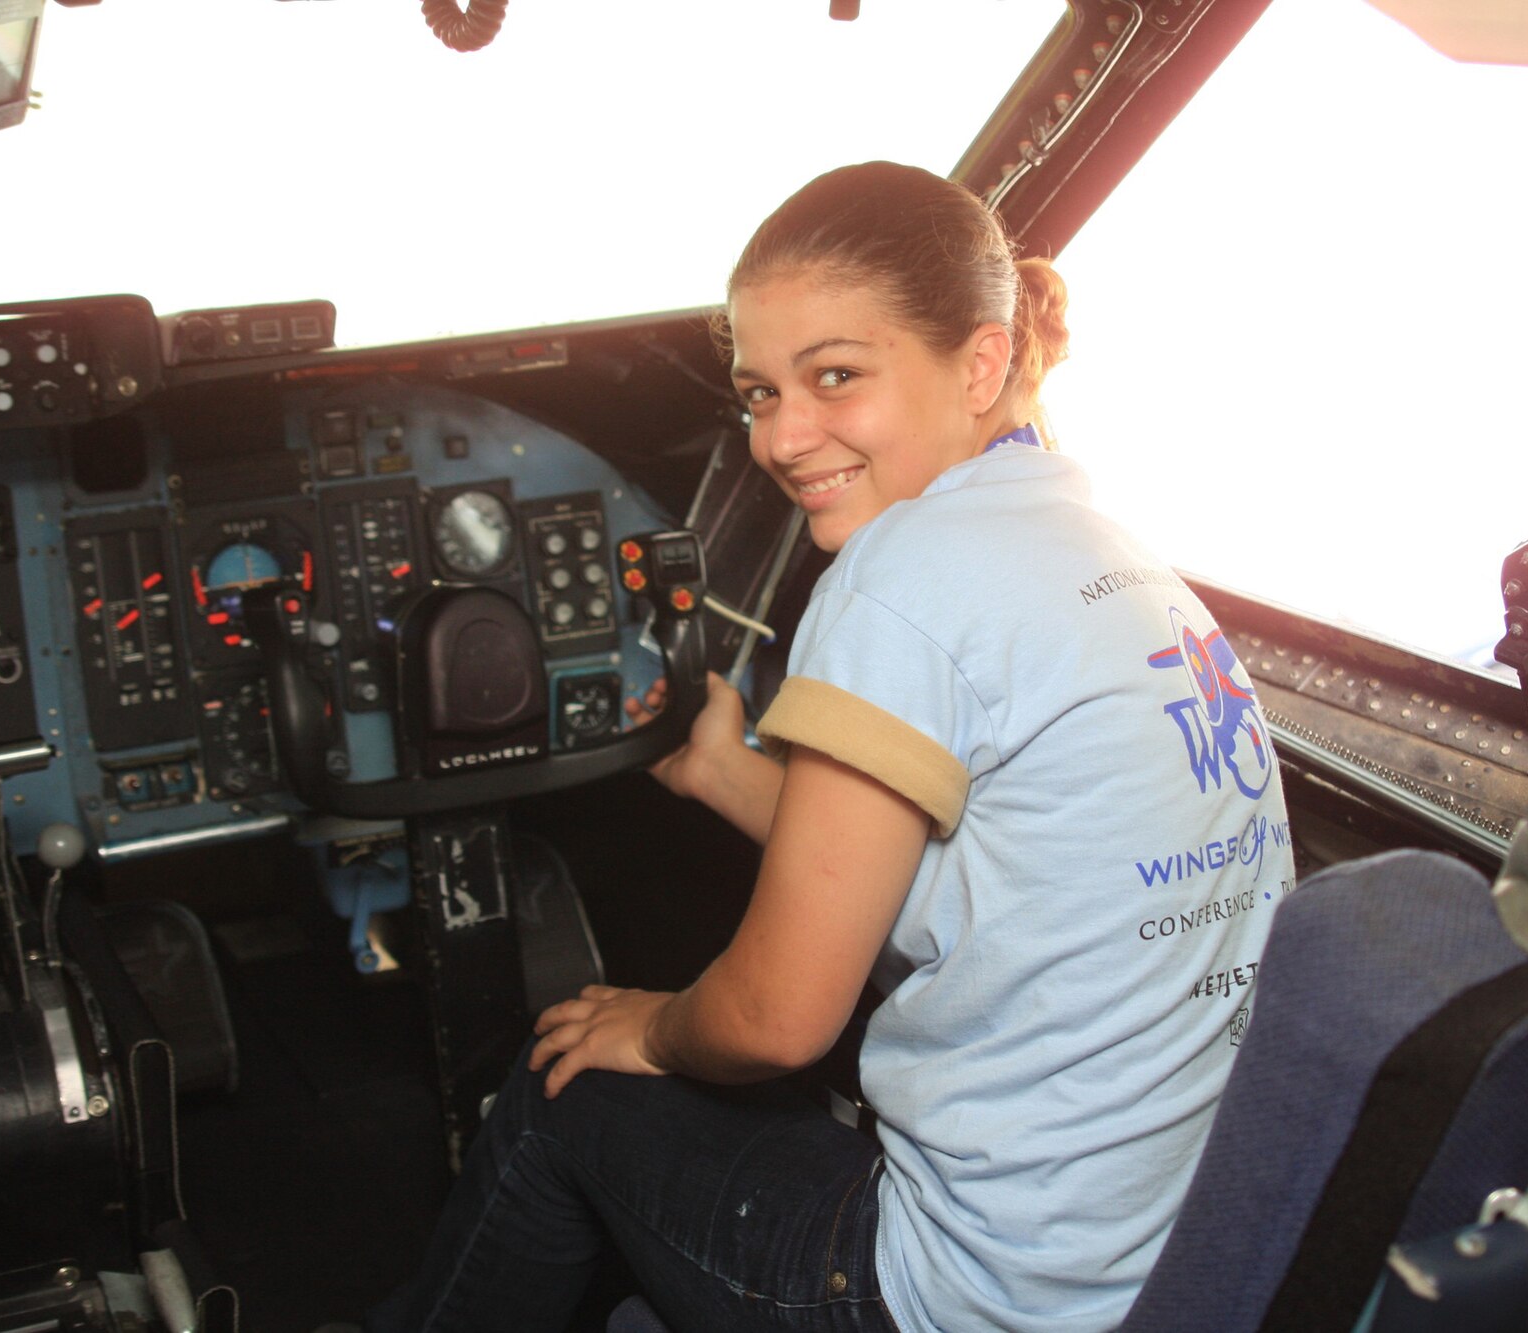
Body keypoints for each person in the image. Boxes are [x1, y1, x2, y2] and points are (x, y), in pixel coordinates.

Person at [368, 160, 1292, 1333]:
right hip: (1165, 1259)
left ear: (980, 361)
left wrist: (646, 1024)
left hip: (971, 1298)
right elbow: (977, 881)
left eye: (835, 378)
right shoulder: (1106, 556)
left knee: (564, 1088)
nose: (783, 437)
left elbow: (773, 1020)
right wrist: (718, 767)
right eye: (758, 394)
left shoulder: (899, 575)